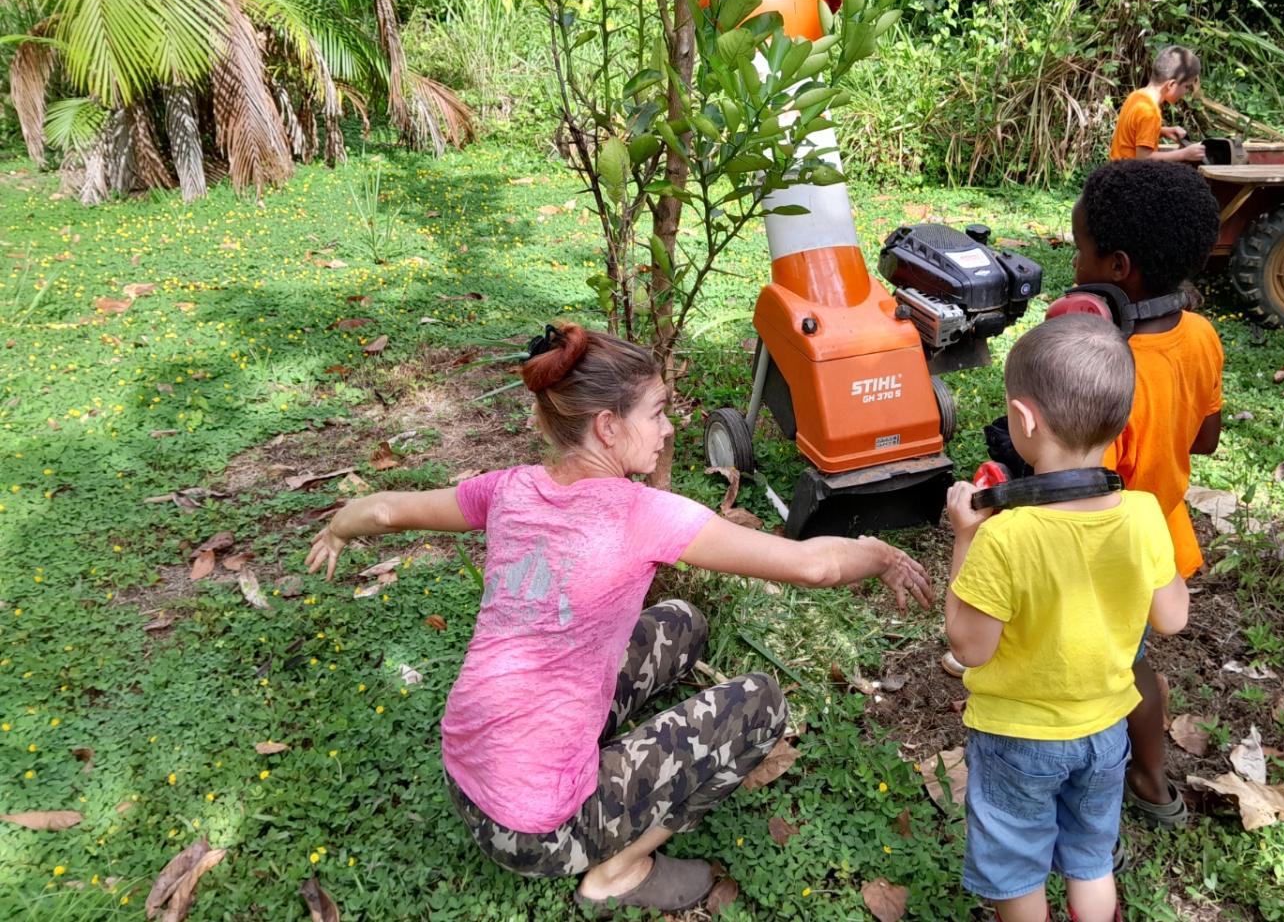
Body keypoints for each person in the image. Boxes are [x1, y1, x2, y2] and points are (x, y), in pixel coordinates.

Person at [304, 323, 932, 916]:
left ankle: (585, 766)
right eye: (657, 412)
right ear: (607, 426)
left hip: (465, 778)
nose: (668, 427)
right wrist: (881, 554)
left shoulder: (509, 488)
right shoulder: (638, 515)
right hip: (539, 830)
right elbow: (813, 566)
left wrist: (336, 527)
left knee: (681, 621)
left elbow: (387, 512)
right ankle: (620, 870)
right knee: (761, 702)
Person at [944, 314, 1190, 922]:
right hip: (1106, 734)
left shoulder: (1007, 536)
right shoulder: (1142, 513)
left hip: (1018, 739)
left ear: (1023, 420)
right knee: (1090, 858)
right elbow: (1173, 618)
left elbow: (970, 647)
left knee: (1016, 866)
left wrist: (964, 540)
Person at [1070, 160, 1224, 830]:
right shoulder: (1202, 337)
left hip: (1104, 554)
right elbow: (1208, 437)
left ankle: (1096, 804)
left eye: (1081, 251)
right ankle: (1153, 778)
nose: (1075, 263)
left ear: (1118, 268)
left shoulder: (1104, 369)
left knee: (1102, 676)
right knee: (1134, 663)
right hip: (1161, 537)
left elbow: (1080, 487)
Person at [1108, 45, 1206, 163]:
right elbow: (1143, 158)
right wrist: (1184, 154)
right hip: (1129, 175)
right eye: (1186, 86)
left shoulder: (1136, 96)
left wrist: (1163, 131)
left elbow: (1135, 129)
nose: (1187, 91)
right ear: (1171, 85)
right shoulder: (1150, 112)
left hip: (1115, 168)